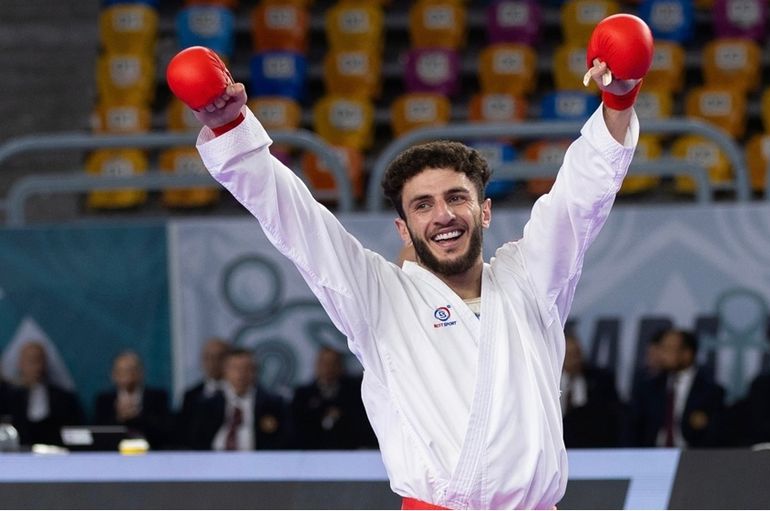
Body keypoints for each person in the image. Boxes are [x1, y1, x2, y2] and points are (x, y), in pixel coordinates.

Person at [170, 13, 652, 508]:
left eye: (457, 198)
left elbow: (578, 202)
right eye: (423, 205)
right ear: (403, 229)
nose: (443, 215)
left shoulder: (530, 279)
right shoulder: (378, 297)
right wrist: (230, 127)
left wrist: (619, 101)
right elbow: (298, 223)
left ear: (485, 211)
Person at [626, 329, 725, 448]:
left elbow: (715, 436)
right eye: (661, 348)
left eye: (668, 348)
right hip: (651, 454)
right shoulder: (647, 388)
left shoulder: (711, 392)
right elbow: (631, 430)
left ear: (687, 353)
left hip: (693, 455)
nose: (661, 354)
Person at [189, 348, 289, 451]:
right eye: (235, 368)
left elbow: (284, 440)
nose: (241, 373)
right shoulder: (207, 404)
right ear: (225, 371)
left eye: (247, 368)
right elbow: (195, 441)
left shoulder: (273, 404)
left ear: (255, 372)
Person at [291, 347, 375, 449]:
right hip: (311, 452)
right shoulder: (302, 395)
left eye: (333, 363)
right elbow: (298, 428)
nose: (328, 368)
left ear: (341, 366)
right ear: (317, 365)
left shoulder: (355, 392)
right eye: (324, 363)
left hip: (350, 450)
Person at [7, 341, 83, 446]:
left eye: (39, 360)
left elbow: (77, 433)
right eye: (30, 361)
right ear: (20, 364)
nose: (36, 366)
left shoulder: (64, 398)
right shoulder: (8, 398)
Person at [94, 351, 172, 450]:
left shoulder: (157, 397)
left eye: (130, 370)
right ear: (113, 374)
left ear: (140, 372)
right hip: (113, 452)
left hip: (151, 451)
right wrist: (119, 417)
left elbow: (166, 432)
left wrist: (137, 416)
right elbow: (98, 434)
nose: (126, 375)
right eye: (121, 371)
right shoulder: (104, 400)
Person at [560, 333, 622, 447]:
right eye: (569, 355)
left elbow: (614, 418)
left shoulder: (601, 381)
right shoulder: (549, 381)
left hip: (592, 445)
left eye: (577, 354)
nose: (574, 360)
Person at [178, 337, 229, 447]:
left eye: (220, 357)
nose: (213, 363)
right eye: (208, 358)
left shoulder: (244, 394)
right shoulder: (190, 396)